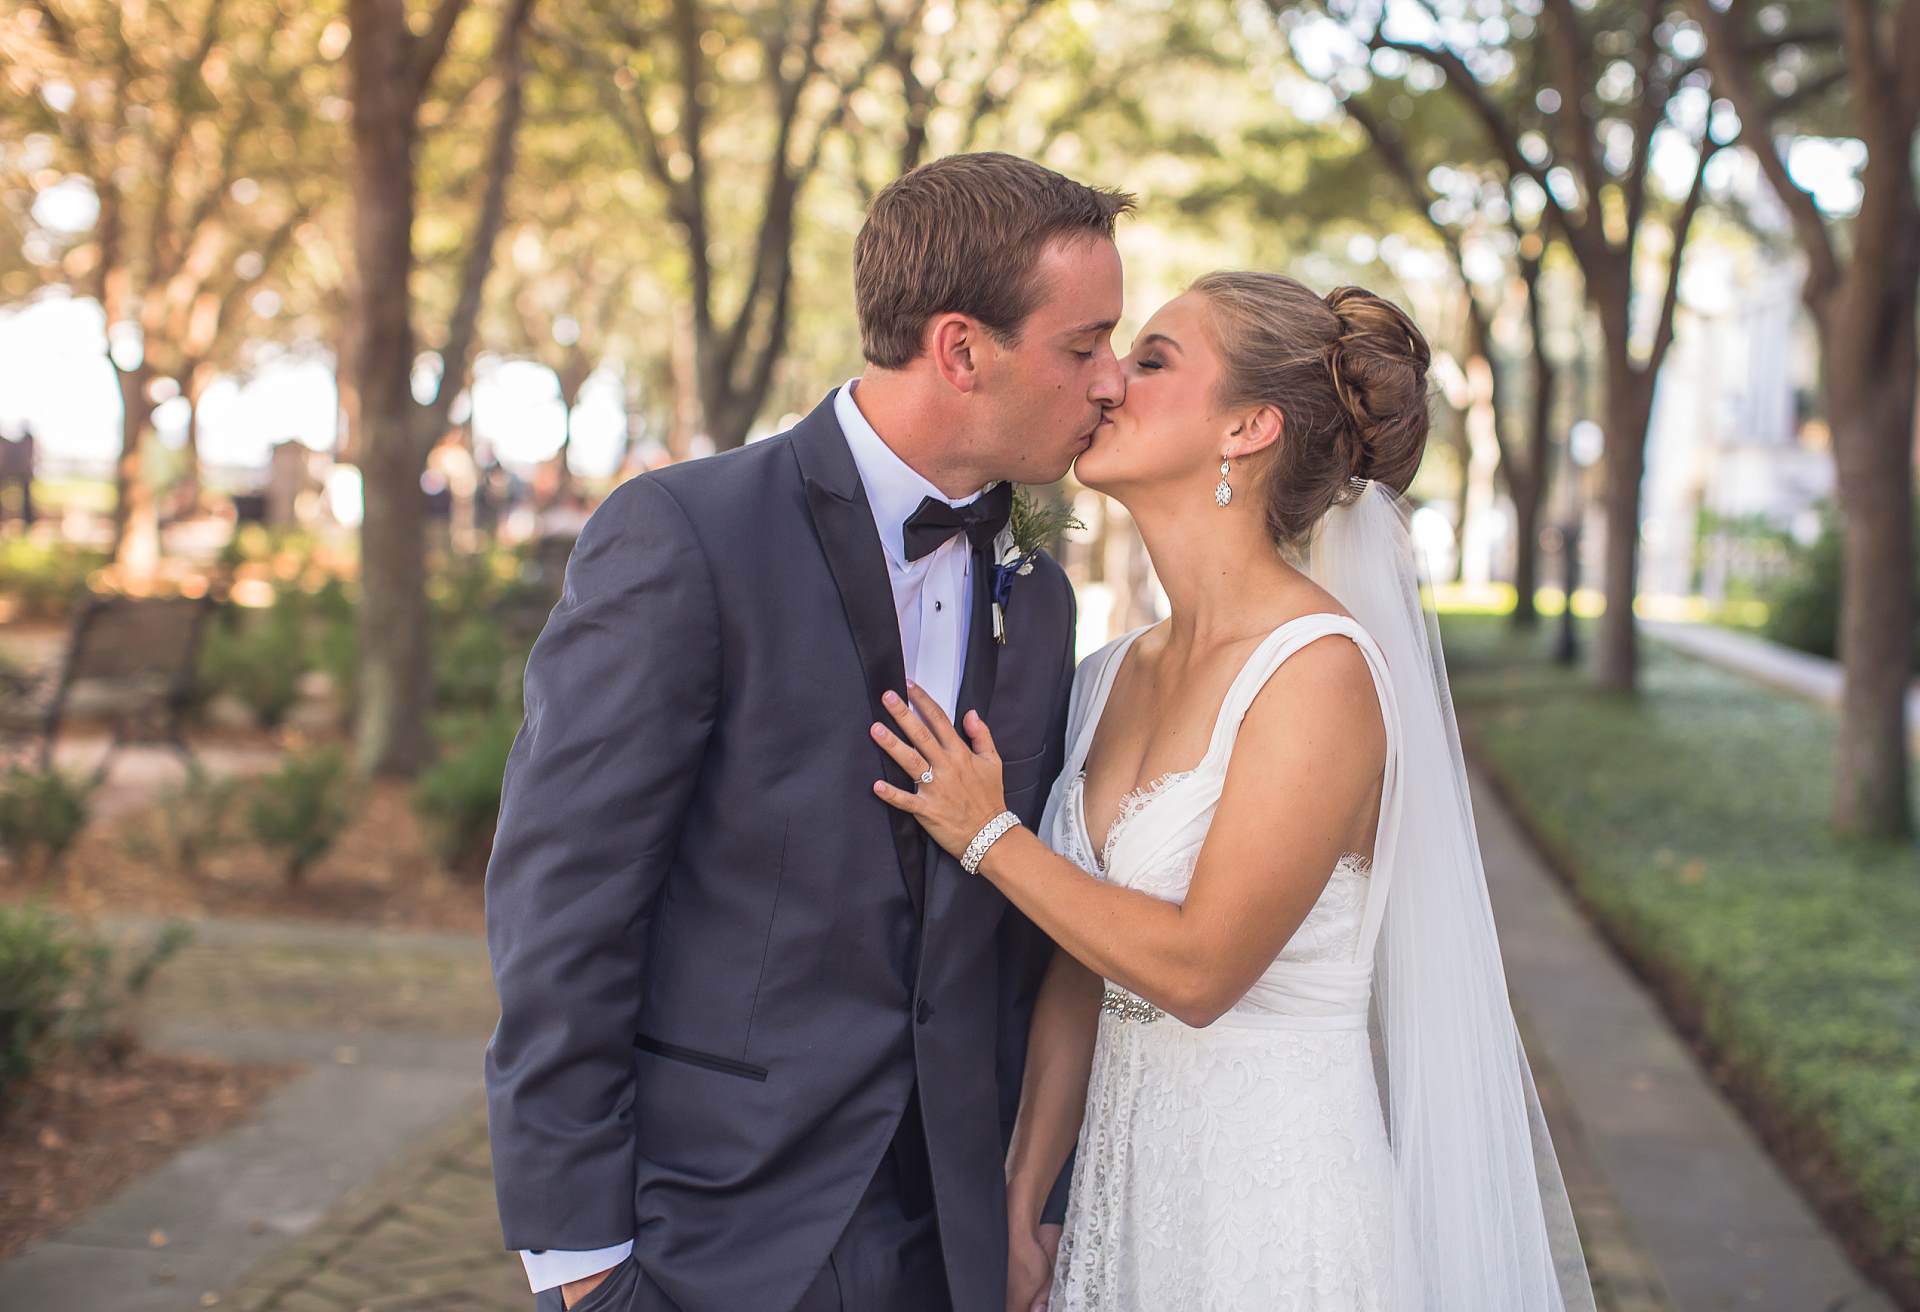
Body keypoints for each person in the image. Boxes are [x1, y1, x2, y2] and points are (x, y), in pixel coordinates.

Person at [483, 152, 1130, 1312]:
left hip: (954, 1243)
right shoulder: (685, 536)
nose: (1112, 381)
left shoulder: (1038, 590)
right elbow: (563, 904)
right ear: (960, 349)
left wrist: (1032, 1202)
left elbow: (1015, 938)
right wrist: (578, 1259)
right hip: (719, 1229)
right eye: (1083, 346)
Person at [872, 273, 1596, 1310]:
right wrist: (1022, 1197)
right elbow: (1089, 955)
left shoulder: (1320, 673)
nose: (1110, 380)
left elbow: (1201, 967)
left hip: (1272, 1216)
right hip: (1124, 1204)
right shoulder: (1109, 672)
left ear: (1248, 428)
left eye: (1155, 358)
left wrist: (987, 833)